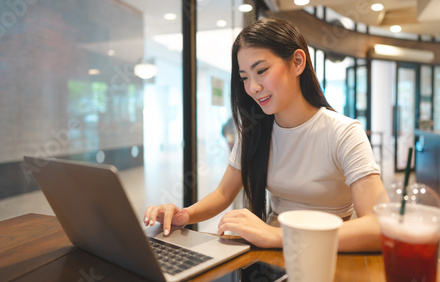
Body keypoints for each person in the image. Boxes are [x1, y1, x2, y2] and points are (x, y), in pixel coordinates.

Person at [144, 17, 385, 252]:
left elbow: (377, 227)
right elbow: (223, 193)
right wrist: (184, 215)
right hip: (269, 251)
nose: (252, 88)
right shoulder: (255, 131)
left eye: (261, 70)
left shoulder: (343, 132)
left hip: (326, 253)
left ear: (297, 62)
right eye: (245, 78)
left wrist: (278, 236)